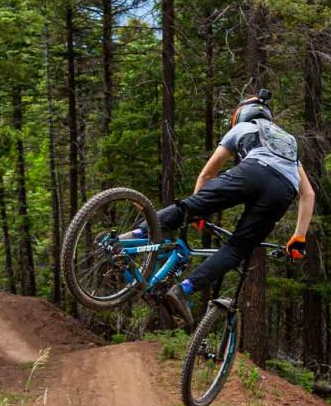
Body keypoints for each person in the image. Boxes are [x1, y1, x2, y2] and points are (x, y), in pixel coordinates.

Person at [133, 91, 315, 330]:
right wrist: (298, 237)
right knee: (237, 248)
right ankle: (182, 290)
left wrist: (199, 211)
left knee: (188, 207)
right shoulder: (289, 143)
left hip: (251, 171)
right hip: (282, 190)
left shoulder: (242, 129)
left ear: (241, 116)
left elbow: (208, 174)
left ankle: (135, 236)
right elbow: (308, 194)